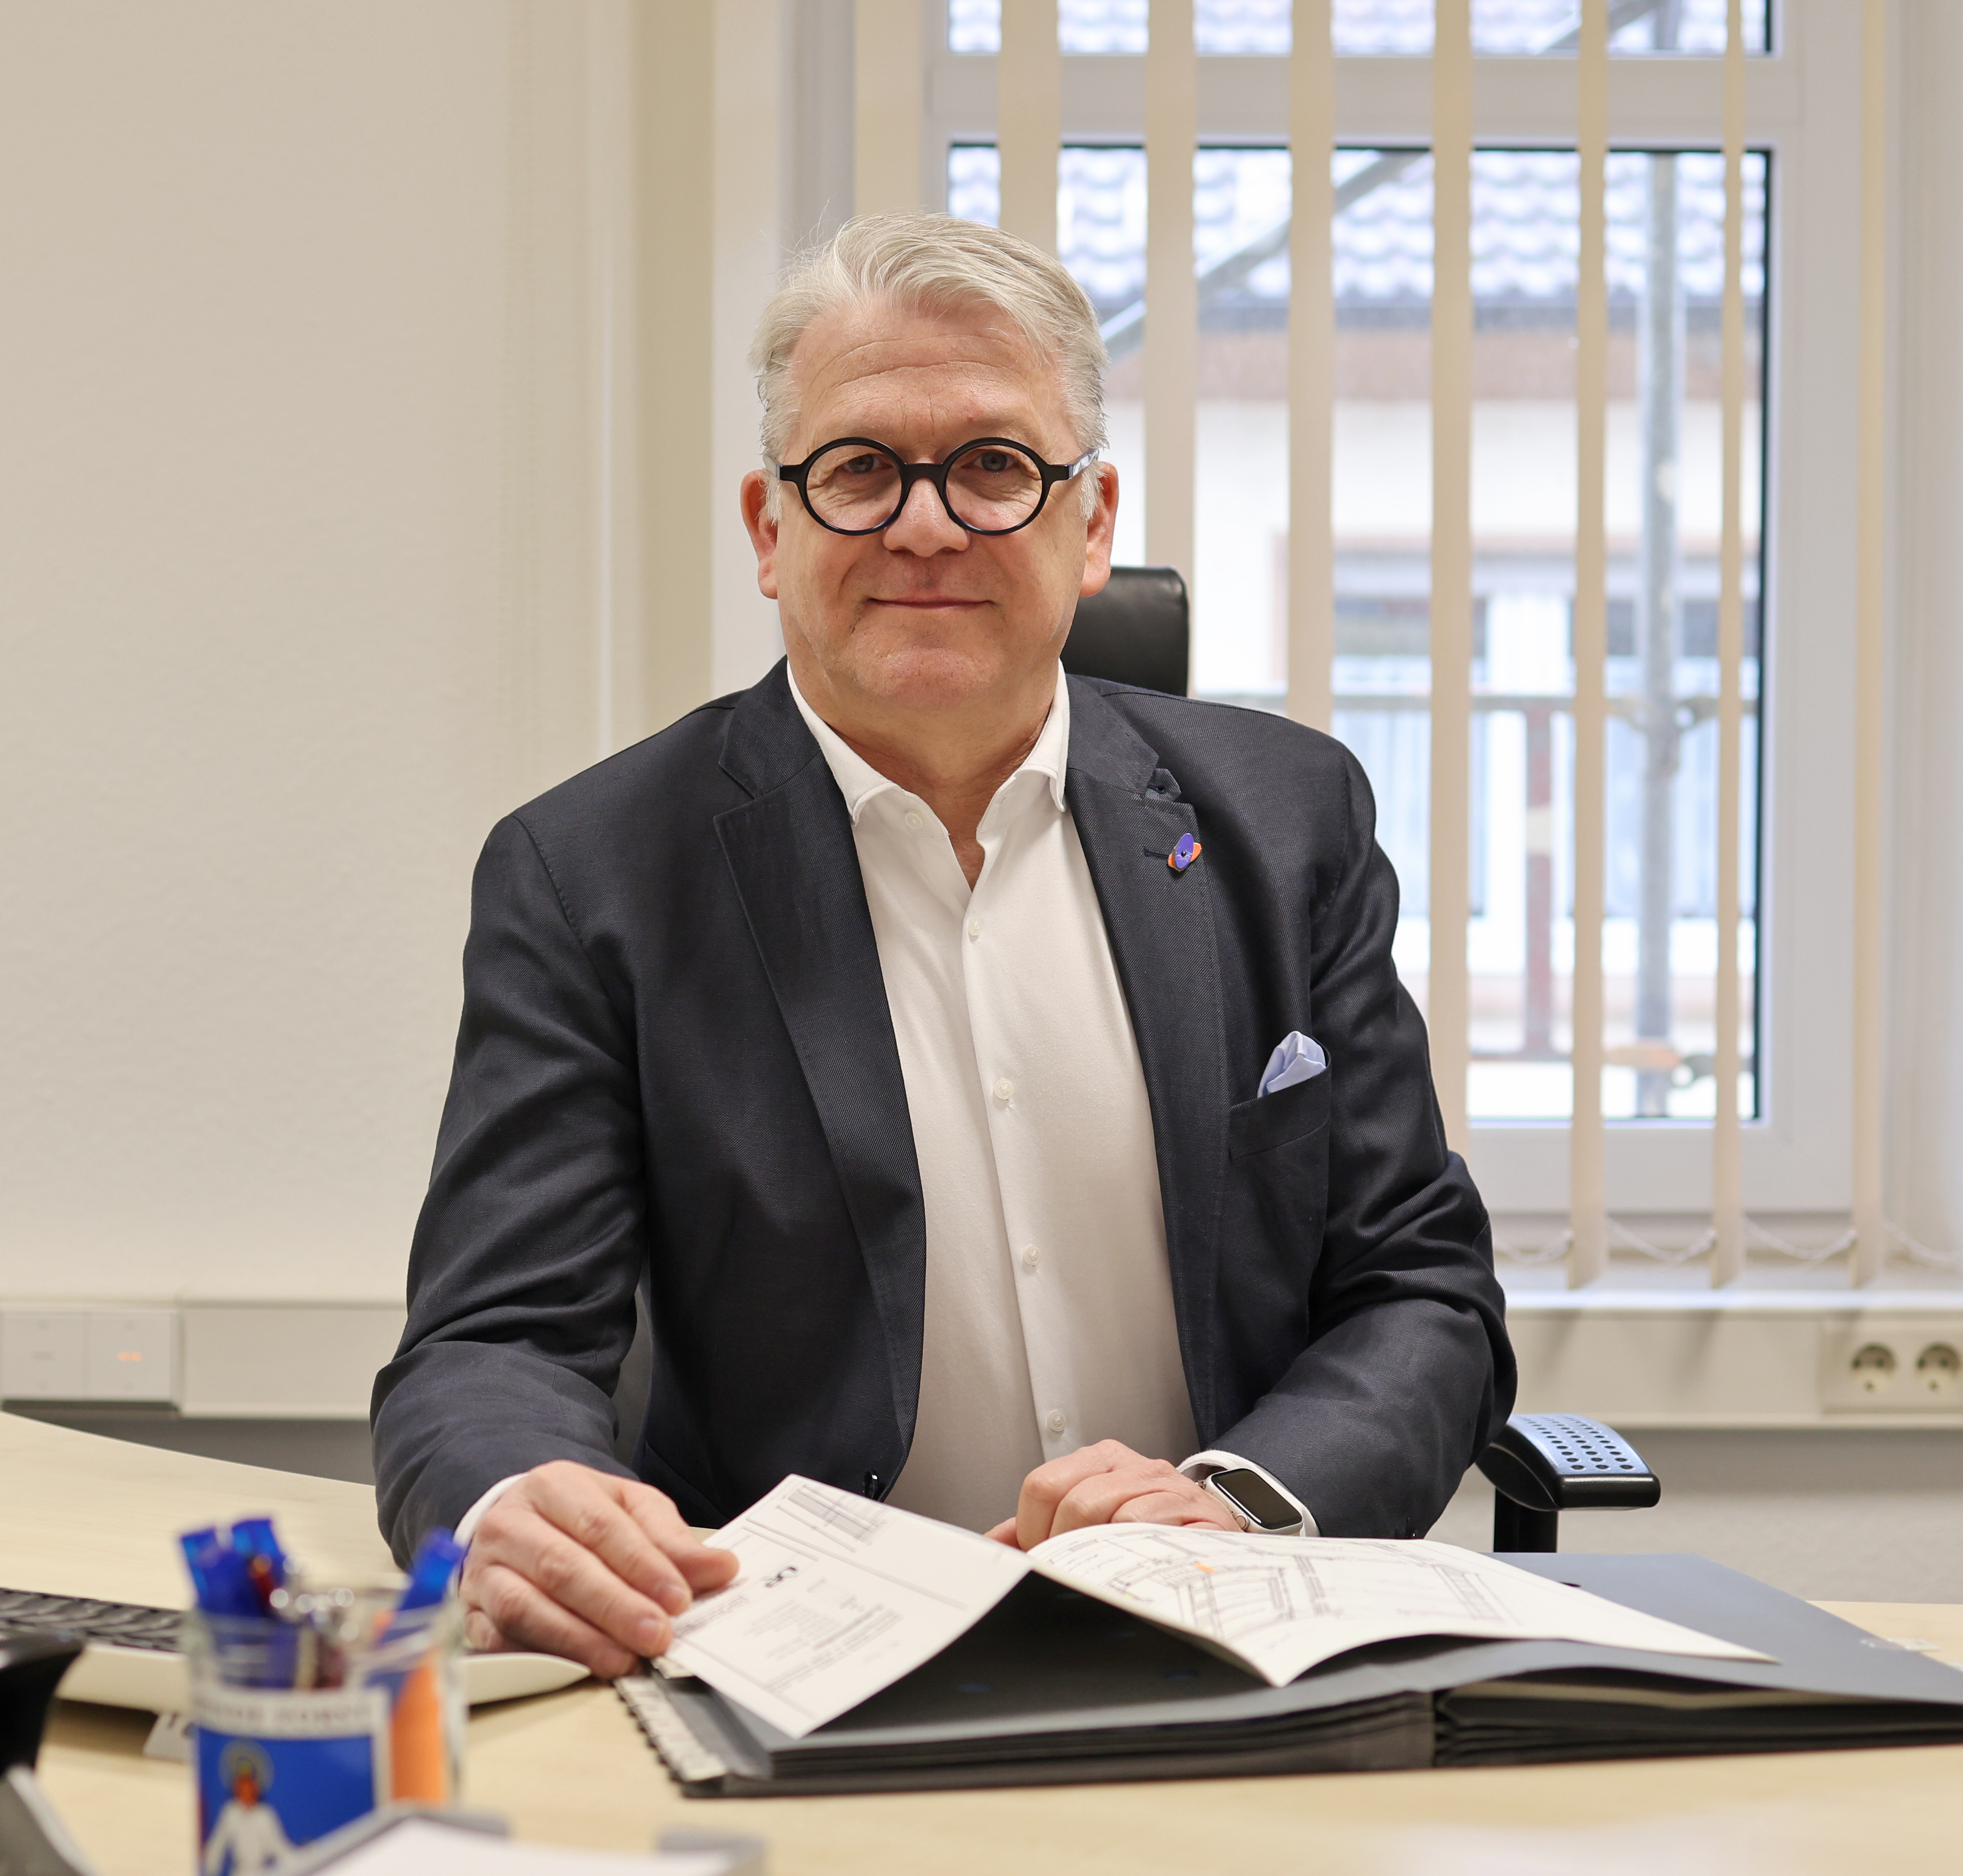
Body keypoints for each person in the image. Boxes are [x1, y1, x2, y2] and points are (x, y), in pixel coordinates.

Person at [371, 212, 1514, 1678]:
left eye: (993, 466)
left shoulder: (1288, 825)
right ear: (769, 531)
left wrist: (1231, 1506)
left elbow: (1421, 1291)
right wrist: (520, 1504)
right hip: (792, 1661)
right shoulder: (593, 874)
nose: (925, 526)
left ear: (1091, 524)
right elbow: (492, 1340)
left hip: (1215, 1643)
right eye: (859, 469)